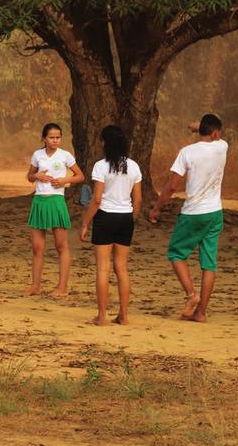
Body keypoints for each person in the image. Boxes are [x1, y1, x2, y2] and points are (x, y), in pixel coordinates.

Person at [149, 114, 228, 323]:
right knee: (209, 263)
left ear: (203, 131)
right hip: (215, 212)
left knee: (176, 253)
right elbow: (215, 132)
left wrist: (157, 207)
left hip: (193, 212)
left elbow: (173, 186)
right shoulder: (223, 147)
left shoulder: (187, 153)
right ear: (216, 133)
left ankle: (192, 295)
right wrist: (198, 126)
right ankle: (201, 313)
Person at [80, 126, 142, 326]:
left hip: (106, 216)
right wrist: (131, 218)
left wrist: (85, 223)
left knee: (102, 269)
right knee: (122, 268)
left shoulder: (101, 166)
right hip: (125, 218)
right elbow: (138, 199)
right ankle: (123, 315)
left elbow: (96, 199)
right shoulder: (133, 166)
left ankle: (102, 316)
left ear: (105, 143)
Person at [26, 122, 84, 297]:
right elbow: (29, 177)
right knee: (37, 247)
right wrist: (36, 176)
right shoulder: (37, 155)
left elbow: (80, 176)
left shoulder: (65, 156)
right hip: (39, 201)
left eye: (58, 137)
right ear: (44, 138)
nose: (55, 140)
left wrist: (64, 181)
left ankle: (62, 287)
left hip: (57, 201)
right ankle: (35, 286)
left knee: (61, 245)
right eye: (51, 137)